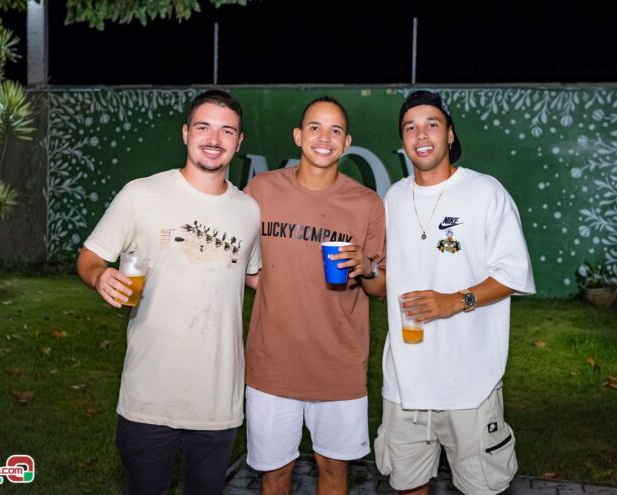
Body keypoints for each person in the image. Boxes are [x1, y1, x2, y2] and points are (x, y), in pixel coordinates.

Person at [76, 90, 261, 495]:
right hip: (148, 396)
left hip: (217, 399)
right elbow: (89, 257)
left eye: (227, 130)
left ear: (240, 141)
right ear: (185, 133)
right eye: (204, 127)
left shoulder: (249, 210)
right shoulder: (141, 195)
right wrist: (99, 277)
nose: (214, 139)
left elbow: (256, 277)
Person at [375, 90, 535, 495]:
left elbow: (514, 273)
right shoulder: (393, 198)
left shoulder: (485, 192)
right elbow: (391, 272)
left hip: (470, 385)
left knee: (481, 488)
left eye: (432, 123)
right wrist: (368, 268)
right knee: (408, 485)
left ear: (449, 135)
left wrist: (455, 301)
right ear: (403, 140)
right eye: (410, 127)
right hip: (404, 383)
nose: (421, 133)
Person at [243, 96, 386, 494]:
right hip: (272, 365)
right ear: (297, 136)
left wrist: (367, 266)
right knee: (274, 474)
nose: (325, 138)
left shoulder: (367, 203)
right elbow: (236, 260)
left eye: (335, 130)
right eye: (315, 128)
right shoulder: (261, 191)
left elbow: (380, 288)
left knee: (334, 471)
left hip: (339, 367)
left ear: (347, 142)